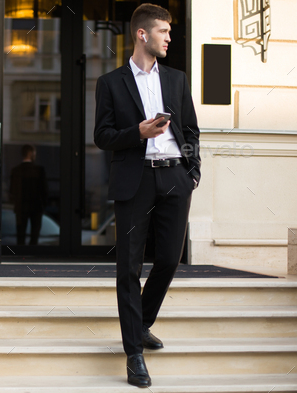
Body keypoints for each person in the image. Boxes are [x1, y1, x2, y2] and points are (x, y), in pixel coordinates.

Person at [93, 4, 201, 388]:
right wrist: (136, 133)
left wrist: (192, 171)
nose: (169, 38)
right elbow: (102, 136)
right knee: (128, 267)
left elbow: (190, 129)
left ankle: (141, 325)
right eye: (163, 32)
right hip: (134, 179)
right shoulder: (110, 83)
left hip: (174, 177)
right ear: (143, 35)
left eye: (170, 32)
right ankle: (134, 355)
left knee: (170, 258)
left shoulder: (177, 78)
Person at [9, 144, 48, 245]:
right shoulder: (39, 170)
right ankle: (32, 253)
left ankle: (20, 254)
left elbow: (12, 191)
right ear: (31, 154)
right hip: (36, 207)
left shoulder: (16, 170)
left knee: (20, 234)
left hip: (21, 207)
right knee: (35, 234)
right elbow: (44, 190)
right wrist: (44, 204)